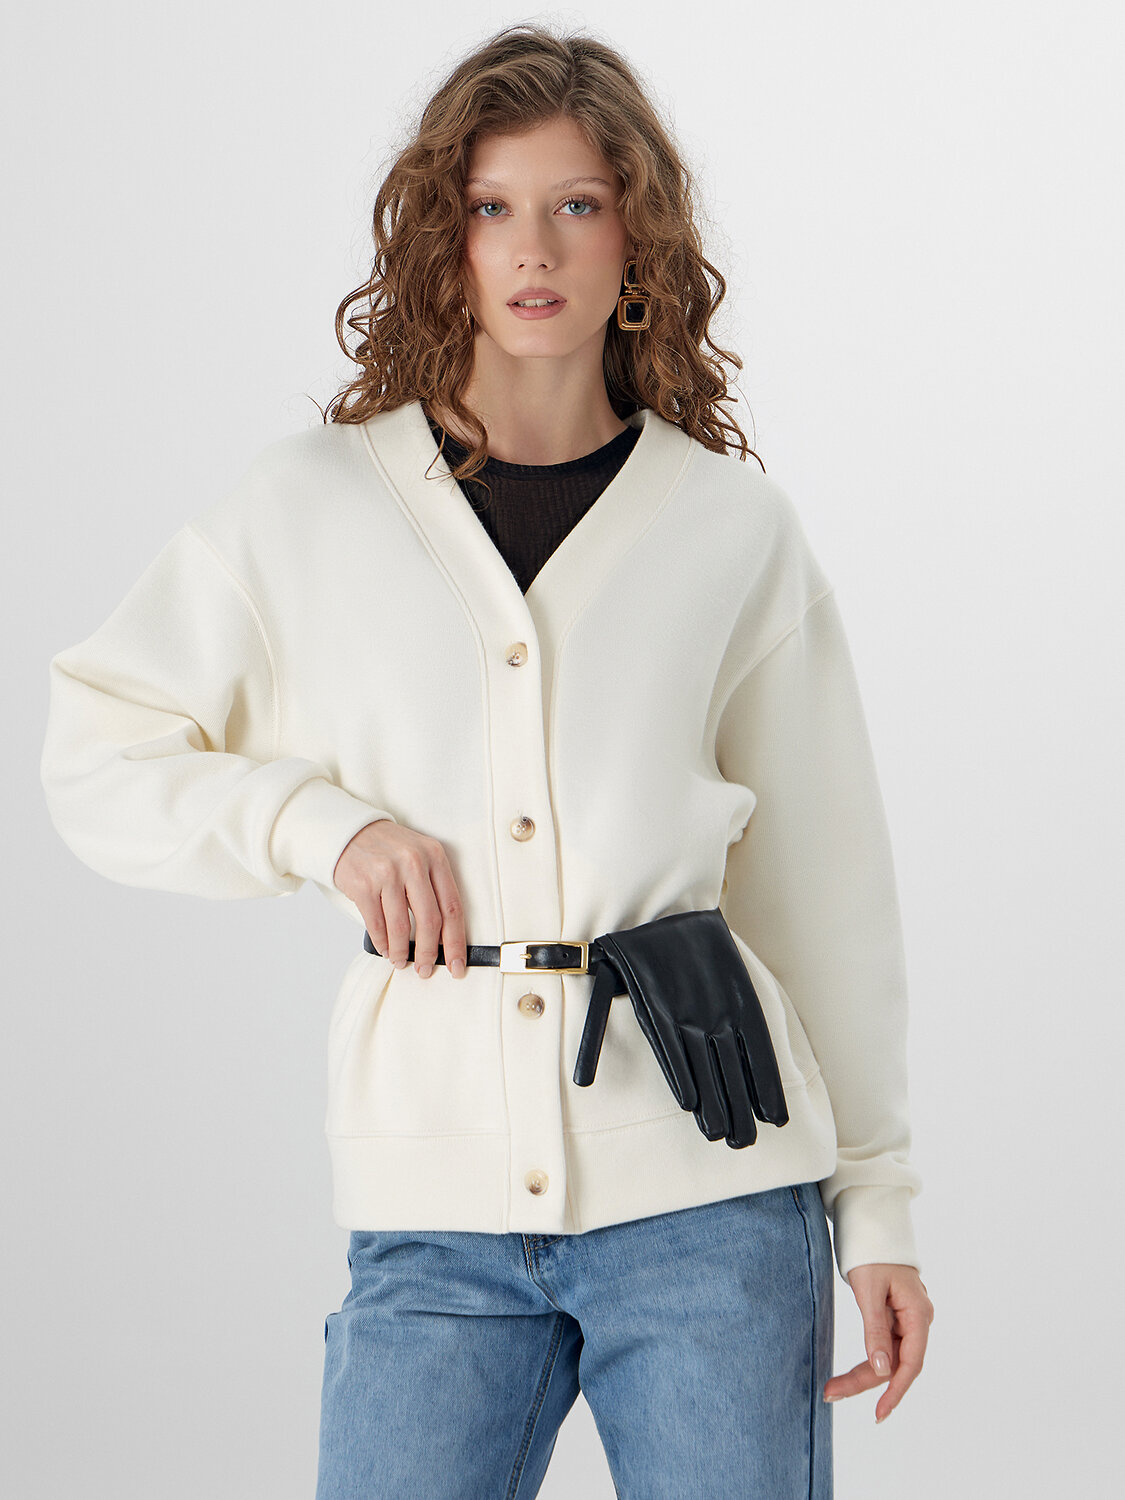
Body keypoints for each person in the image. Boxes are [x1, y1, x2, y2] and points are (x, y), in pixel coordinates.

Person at [39, 21, 934, 1499]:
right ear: (440, 241)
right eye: (491, 206)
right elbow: (96, 747)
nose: (535, 247)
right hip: (432, 1205)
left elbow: (825, 891)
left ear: (637, 240)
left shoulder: (730, 529)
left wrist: (878, 1208)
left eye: (579, 203)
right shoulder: (309, 506)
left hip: (714, 1201)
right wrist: (316, 825)